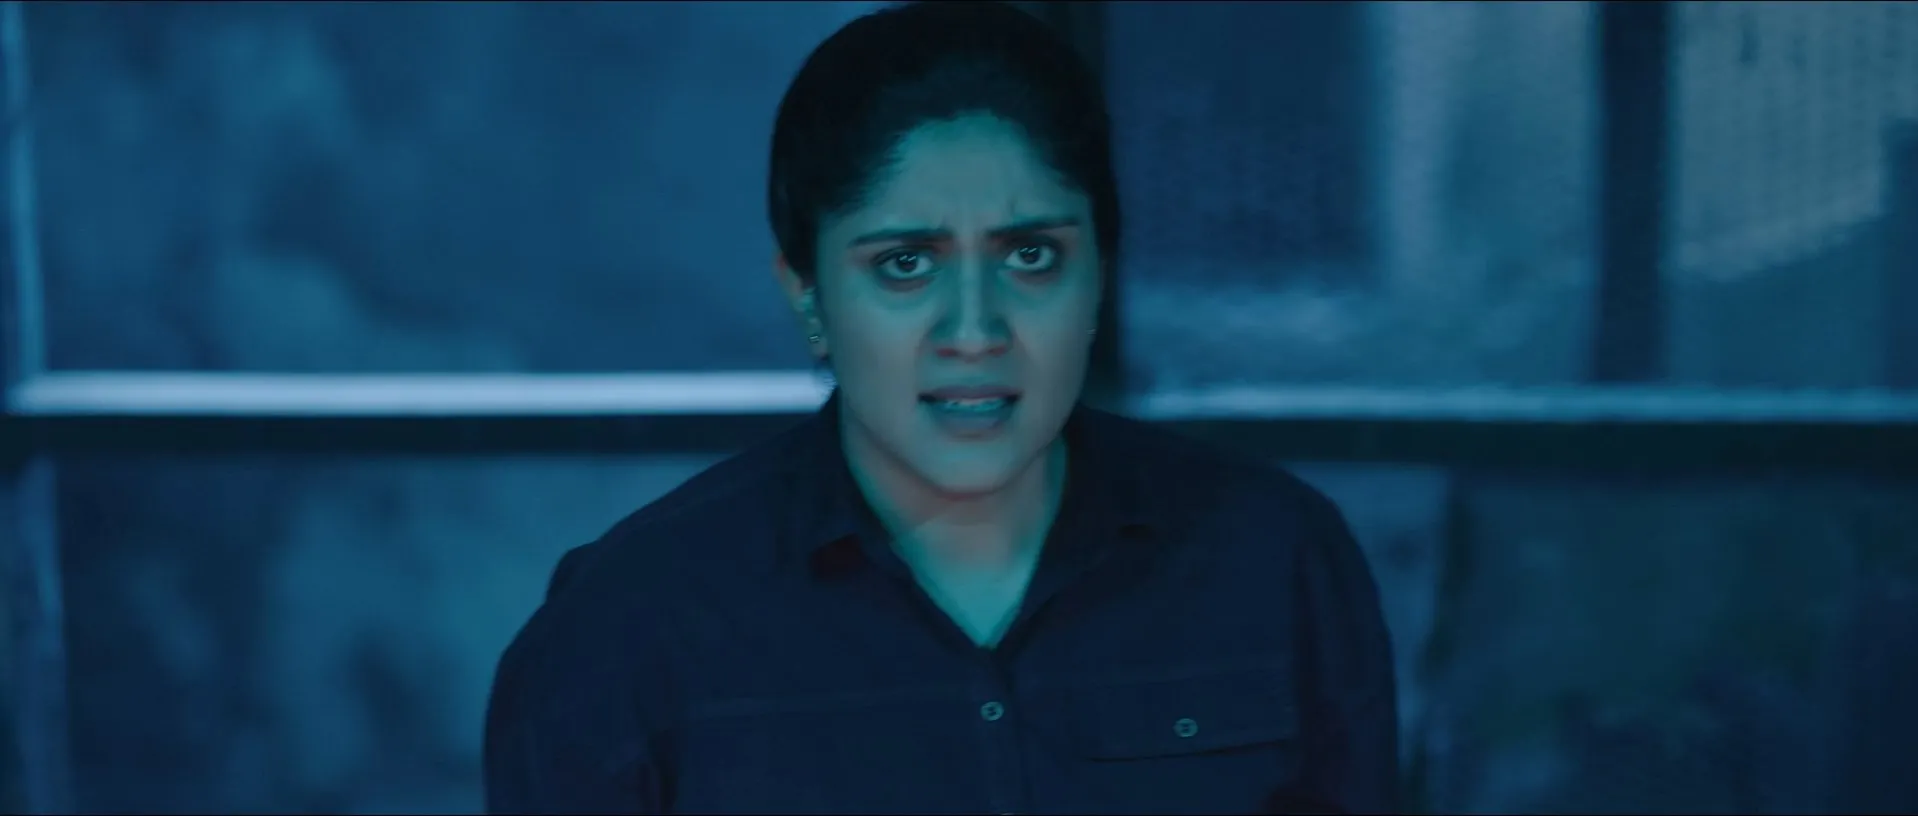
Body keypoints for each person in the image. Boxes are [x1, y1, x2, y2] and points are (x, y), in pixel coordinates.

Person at [482, 2, 1399, 813]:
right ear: (807, 294)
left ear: (1099, 278)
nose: (974, 331)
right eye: (905, 265)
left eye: (1031, 257)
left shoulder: (1273, 560)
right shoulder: (630, 629)